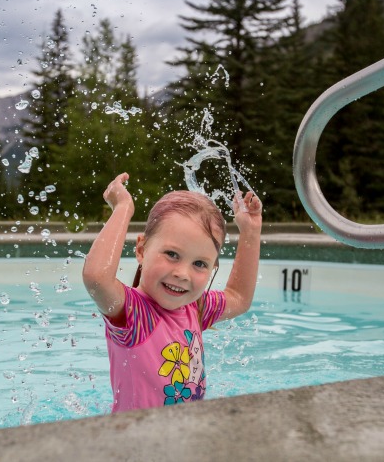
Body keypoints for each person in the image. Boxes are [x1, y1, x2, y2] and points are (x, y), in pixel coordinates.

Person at [82, 172, 262, 412]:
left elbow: (239, 298)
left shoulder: (194, 308)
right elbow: (97, 279)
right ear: (142, 249)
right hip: (137, 441)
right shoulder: (135, 316)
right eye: (172, 255)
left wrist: (250, 232)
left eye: (199, 264)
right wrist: (123, 208)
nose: (183, 274)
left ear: (212, 268)